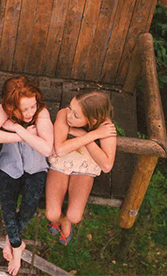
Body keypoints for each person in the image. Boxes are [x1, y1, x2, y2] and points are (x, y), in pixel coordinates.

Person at [0, 77, 54, 276]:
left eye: (33, 106)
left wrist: (17, 128)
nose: (30, 113)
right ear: (12, 108)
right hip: (10, 165)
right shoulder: (3, 110)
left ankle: (12, 240)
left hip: (36, 166)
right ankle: (17, 245)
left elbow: (46, 149)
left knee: (30, 205)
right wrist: (23, 135)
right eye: (24, 109)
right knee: (8, 206)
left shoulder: (42, 113)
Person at [45, 89, 117, 245]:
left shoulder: (106, 127)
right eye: (70, 108)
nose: (69, 116)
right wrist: (93, 135)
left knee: (75, 216)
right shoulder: (64, 114)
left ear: (92, 119)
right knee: (51, 214)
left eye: (76, 115)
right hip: (61, 164)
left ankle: (66, 220)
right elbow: (60, 149)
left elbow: (106, 165)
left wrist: (83, 135)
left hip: (85, 169)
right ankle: (58, 219)